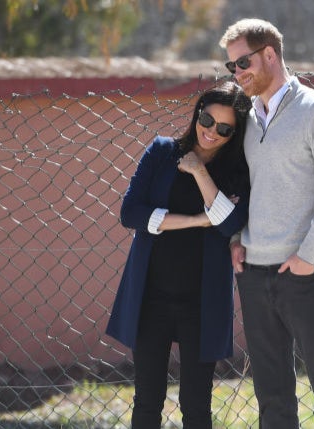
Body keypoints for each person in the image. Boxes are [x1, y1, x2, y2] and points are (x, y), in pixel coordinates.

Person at [219, 18, 314, 429]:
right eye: (231, 67)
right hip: (254, 275)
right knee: (273, 402)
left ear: (270, 55)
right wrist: (237, 239)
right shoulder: (245, 119)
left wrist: (307, 255)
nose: (238, 73)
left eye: (243, 63)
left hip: (305, 273)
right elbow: (245, 187)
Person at [105, 81, 252, 429]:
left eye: (224, 128)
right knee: (146, 402)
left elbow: (229, 221)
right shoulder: (162, 152)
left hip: (202, 302)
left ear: (235, 133)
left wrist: (199, 171)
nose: (211, 131)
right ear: (197, 113)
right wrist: (197, 219)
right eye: (207, 119)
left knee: (196, 407)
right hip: (150, 297)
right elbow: (131, 214)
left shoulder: (236, 171)